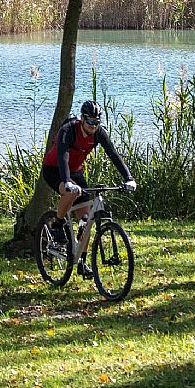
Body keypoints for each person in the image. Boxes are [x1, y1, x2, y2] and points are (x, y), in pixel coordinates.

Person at [40, 100, 136, 277]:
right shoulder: (68, 130)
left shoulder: (98, 133)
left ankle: (82, 262)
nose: (93, 126)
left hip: (75, 172)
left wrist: (128, 178)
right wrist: (67, 181)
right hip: (54, 169)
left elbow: (113, 154)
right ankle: (58, 224)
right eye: (90, 122)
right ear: (82, 119)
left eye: (97, 122)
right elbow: (62, 156)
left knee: (86, 219)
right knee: (70, 192)